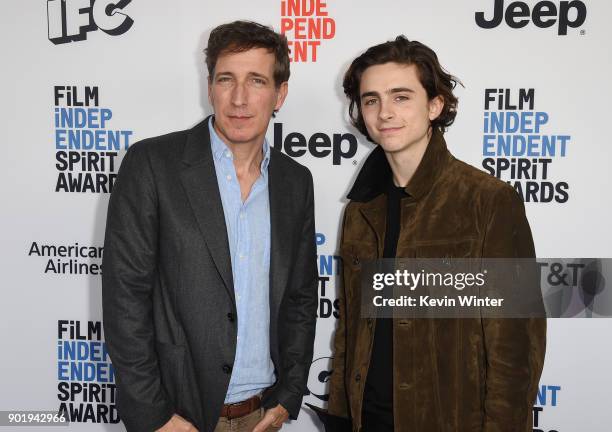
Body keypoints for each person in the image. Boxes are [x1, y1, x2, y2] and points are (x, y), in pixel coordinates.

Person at [102, 21, 318, 432]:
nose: (239, 98)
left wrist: (290, 394)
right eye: (226, 79)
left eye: (256, 80)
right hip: (177, 416)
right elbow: (124, 298)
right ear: (210, 87)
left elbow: (302, 296)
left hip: (262, 413)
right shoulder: (152, 165)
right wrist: (155, 415)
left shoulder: (295, 181)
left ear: (280, 93)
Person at [326, 36, 546, 431]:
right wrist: (341, 416)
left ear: (435, 105)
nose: (385, 112)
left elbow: (515, 345)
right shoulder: (361, 209)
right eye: (372, 99)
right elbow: (350, 331)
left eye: (401, 97)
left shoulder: (487, 201)